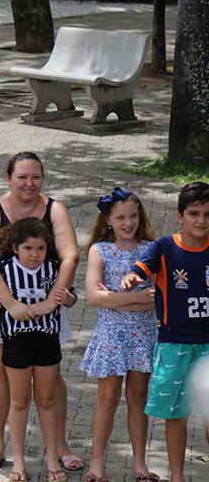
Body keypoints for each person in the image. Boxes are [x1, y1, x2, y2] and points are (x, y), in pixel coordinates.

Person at [0, 152, 82, 475]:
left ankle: (59, 444)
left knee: (52, 378)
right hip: (4, 304)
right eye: (22, 177)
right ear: (9, 178)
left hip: (47, 306)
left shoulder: (55, 209)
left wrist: (52, 301)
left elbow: (71, 257)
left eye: (35, 177)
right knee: (0, 372)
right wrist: (11, 305)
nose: (29, 183)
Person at [121, 181, 209, 482]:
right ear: (180, 216)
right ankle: (177, 475)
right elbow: (141, 269)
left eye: (207, 215)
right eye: (194, 213)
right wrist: (133, 277)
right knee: (176, 413)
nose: (201, 221)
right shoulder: (164, 247)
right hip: (175, 344)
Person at [0, 218, 75, 482]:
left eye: (41, 248)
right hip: (16, 343)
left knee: (47, 400)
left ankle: (52, 458)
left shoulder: (54, 269)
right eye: (28, 248)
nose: (35, 254)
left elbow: (70, 297)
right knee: (19, 401)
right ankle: (18, 460)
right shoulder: (3, 271)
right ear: (15, 248)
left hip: (47, 342)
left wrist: (69, 299)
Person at [79, 188, 159, 482]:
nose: (129, 223)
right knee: (108, 398)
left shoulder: (151, 249)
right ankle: (97, 465)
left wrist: (113, 298)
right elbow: (93, 298)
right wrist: (138, 298)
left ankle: (139, 463)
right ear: (108, 220)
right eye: (121, 217)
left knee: (138, 398)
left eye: (133, 216)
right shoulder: (99, 250)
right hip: (111, 335)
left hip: (142, 334)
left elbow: (159, 298)